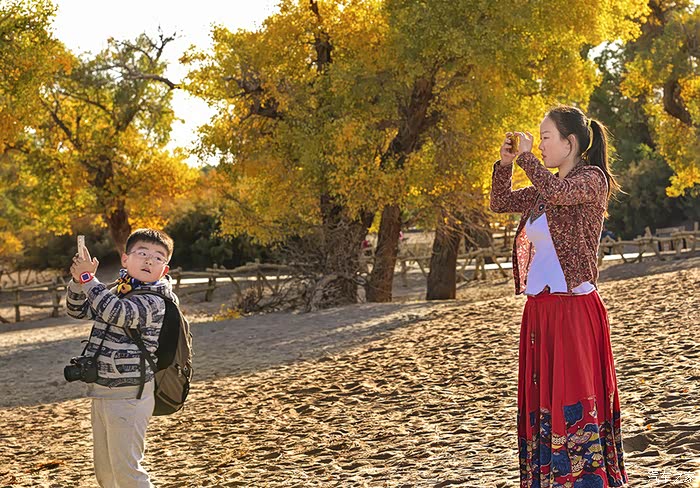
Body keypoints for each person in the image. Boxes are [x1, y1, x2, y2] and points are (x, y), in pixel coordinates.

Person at [490, 105, 627, 487]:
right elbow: (500, 202)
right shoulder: (543, 188)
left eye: (546, 137)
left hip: (573, 310)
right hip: (540, 312)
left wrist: (526, 159)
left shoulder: (591, 180)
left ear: (570, 143)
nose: (540, 145)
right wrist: (505, 165)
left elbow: (558, 192)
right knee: (543, 400)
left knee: (572, 395)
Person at [66, 228, 178, 488]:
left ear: (164, 269)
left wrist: (88, 278)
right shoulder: (120, 289)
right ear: (125, 259)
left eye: (158, 257)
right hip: (102, 389)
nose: (149, 260)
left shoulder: (157, 300)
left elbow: (118, 313)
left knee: (127, 471)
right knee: (105, 471)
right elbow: (78, 310)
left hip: (130, 393)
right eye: (142, 253)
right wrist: (78, 281)